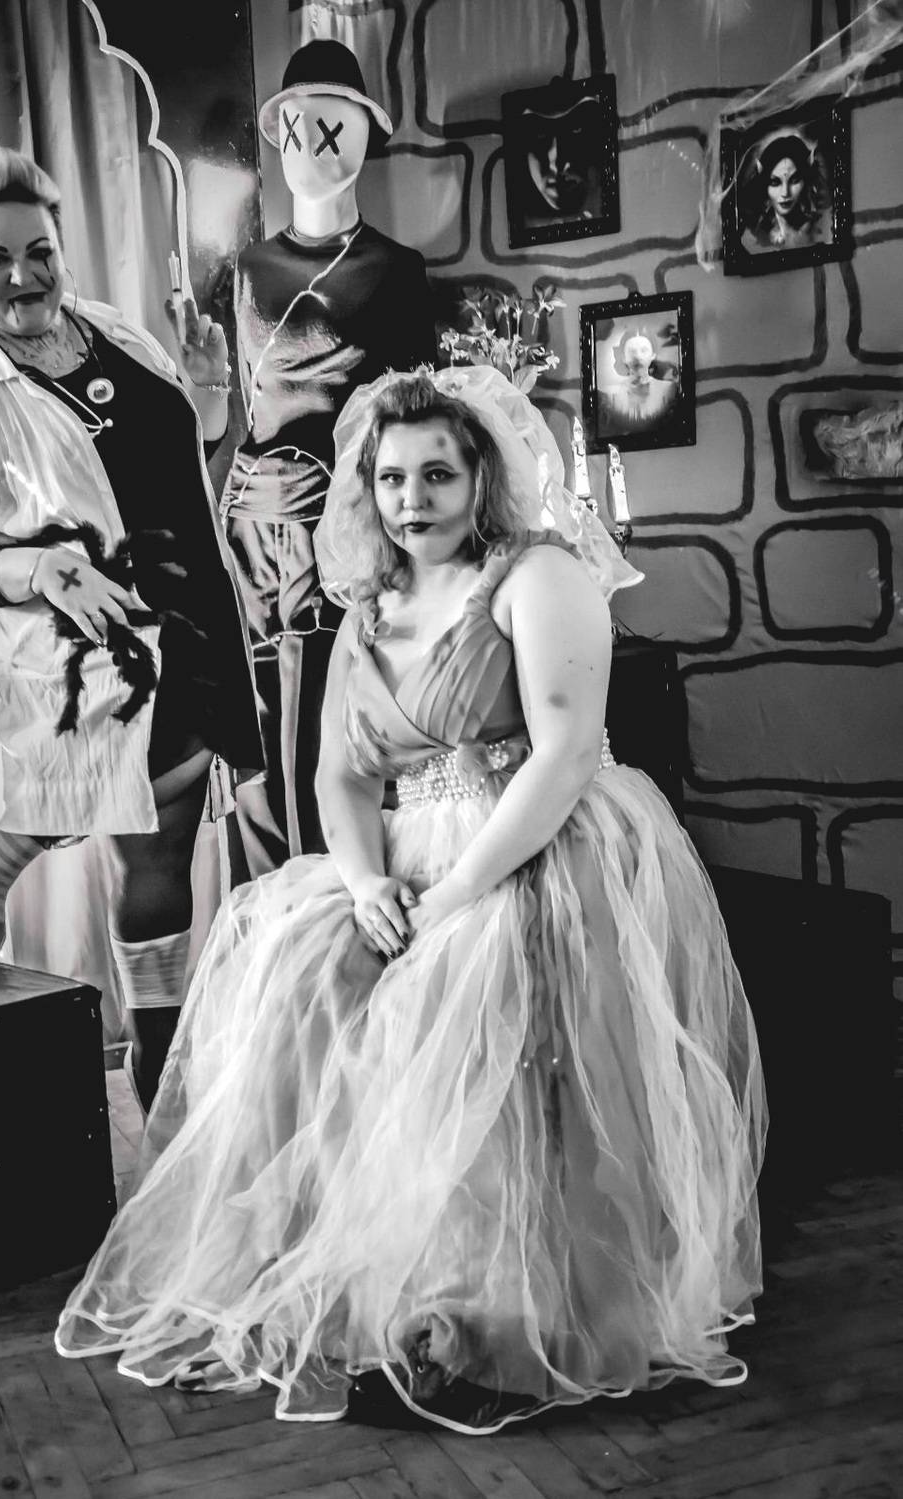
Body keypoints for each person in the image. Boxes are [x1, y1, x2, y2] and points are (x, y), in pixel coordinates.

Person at [56, 365, 766, 1433]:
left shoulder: (537, 576)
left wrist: (461, 891)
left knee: (468, 997)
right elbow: (340, 775)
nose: (411, 498)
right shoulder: (369, 605)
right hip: (401, 857)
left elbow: (567, 752)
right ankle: (347, 1285)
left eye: (437, 473)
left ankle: (487, 1315)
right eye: (391, 477)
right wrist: (363, 881)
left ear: (481, 475)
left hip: (532, 842)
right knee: (298, 974)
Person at [0, 145, 262, 1109]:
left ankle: (161, 1046)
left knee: (166, 836)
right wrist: (36, 568)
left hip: (189, 614)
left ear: (62, 250)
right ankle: (154, 1050)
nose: (23, 276)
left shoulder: (120, 337)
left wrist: (210, 393)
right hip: (82, 639)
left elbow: (187, 474)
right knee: (148, 809)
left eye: (40, 253)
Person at [222, 39, 436, 881]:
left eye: (335, 121)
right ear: (278, 132)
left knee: (334, 723)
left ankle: (341, 903)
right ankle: (271, 922)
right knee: (256, 735)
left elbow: (413, 426)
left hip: (343, 527)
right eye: (299, 121)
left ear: (366, 133)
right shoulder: (245, 271)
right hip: (251, 527)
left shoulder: (398, 271)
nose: (314, 138)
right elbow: (233, 411)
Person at [740, 133, 829, 254]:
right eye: (775, 182)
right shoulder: (754, 236)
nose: (785, 193)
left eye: (794, 180)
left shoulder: (820, 229)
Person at [598, 327, 679, 436]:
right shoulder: (610, 395)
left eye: (644, 350)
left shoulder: (668, 389)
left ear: (653, 355)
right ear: (623, 357)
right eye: (632, 351)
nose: (638, 356)